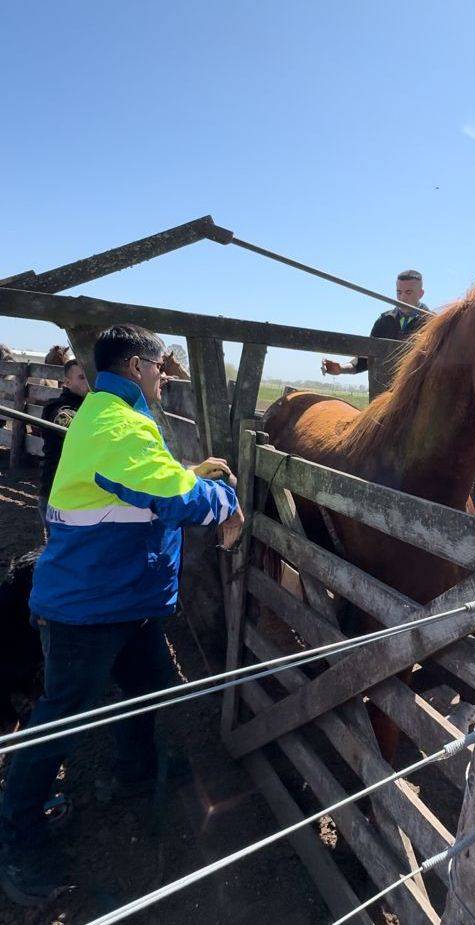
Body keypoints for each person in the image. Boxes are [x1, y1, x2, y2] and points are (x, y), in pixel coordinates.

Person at [0, 323, 244, 907]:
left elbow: (149, 483)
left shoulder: (105, 415)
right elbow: (175, 499)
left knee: (150, 689)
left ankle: (131, 771)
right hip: (90, 608)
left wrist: (189, 473)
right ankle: (18, 836)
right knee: (62, 718)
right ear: (138, 366)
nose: (164, 377)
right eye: (160, 367)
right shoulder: (118, 424)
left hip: (119, 598)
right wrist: (226, 502)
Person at [320, 270, 431, 387]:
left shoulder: (432, 324)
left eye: (408, 292)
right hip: (381, 394)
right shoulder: (383, 321)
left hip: (416, 396)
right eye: (399, 292)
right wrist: (341, 369)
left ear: (420, 293)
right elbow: (365, 360)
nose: (402, 298)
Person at [37, 358, 90, 531]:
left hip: (78, 494)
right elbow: (73, 429)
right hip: (57, 493)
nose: (88, 382)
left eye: (90, 376)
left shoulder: (91, 405)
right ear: (67, 382)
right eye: (82, 378)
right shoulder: (59, 409)